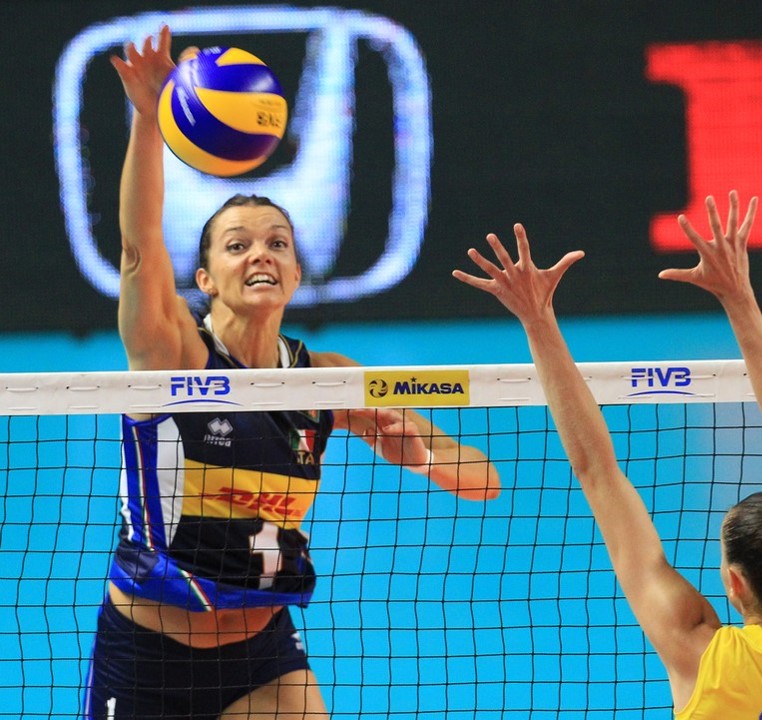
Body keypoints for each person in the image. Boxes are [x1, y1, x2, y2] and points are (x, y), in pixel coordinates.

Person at [87, 27, 500, 720]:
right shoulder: (171, 355)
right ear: (205, 278)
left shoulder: (329, 379)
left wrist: (423, 454)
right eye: (237, 244)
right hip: (150, 656)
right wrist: (148, 117)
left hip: (263, 656)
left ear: (298, 273)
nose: (261, 254)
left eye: (278, 243)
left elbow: (483, 480)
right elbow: (138, 246)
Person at [453, 191, 762, 717]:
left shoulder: (701, 655)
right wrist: (741, 297)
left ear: (733, 584)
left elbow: (598, 472)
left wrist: (537, 320)